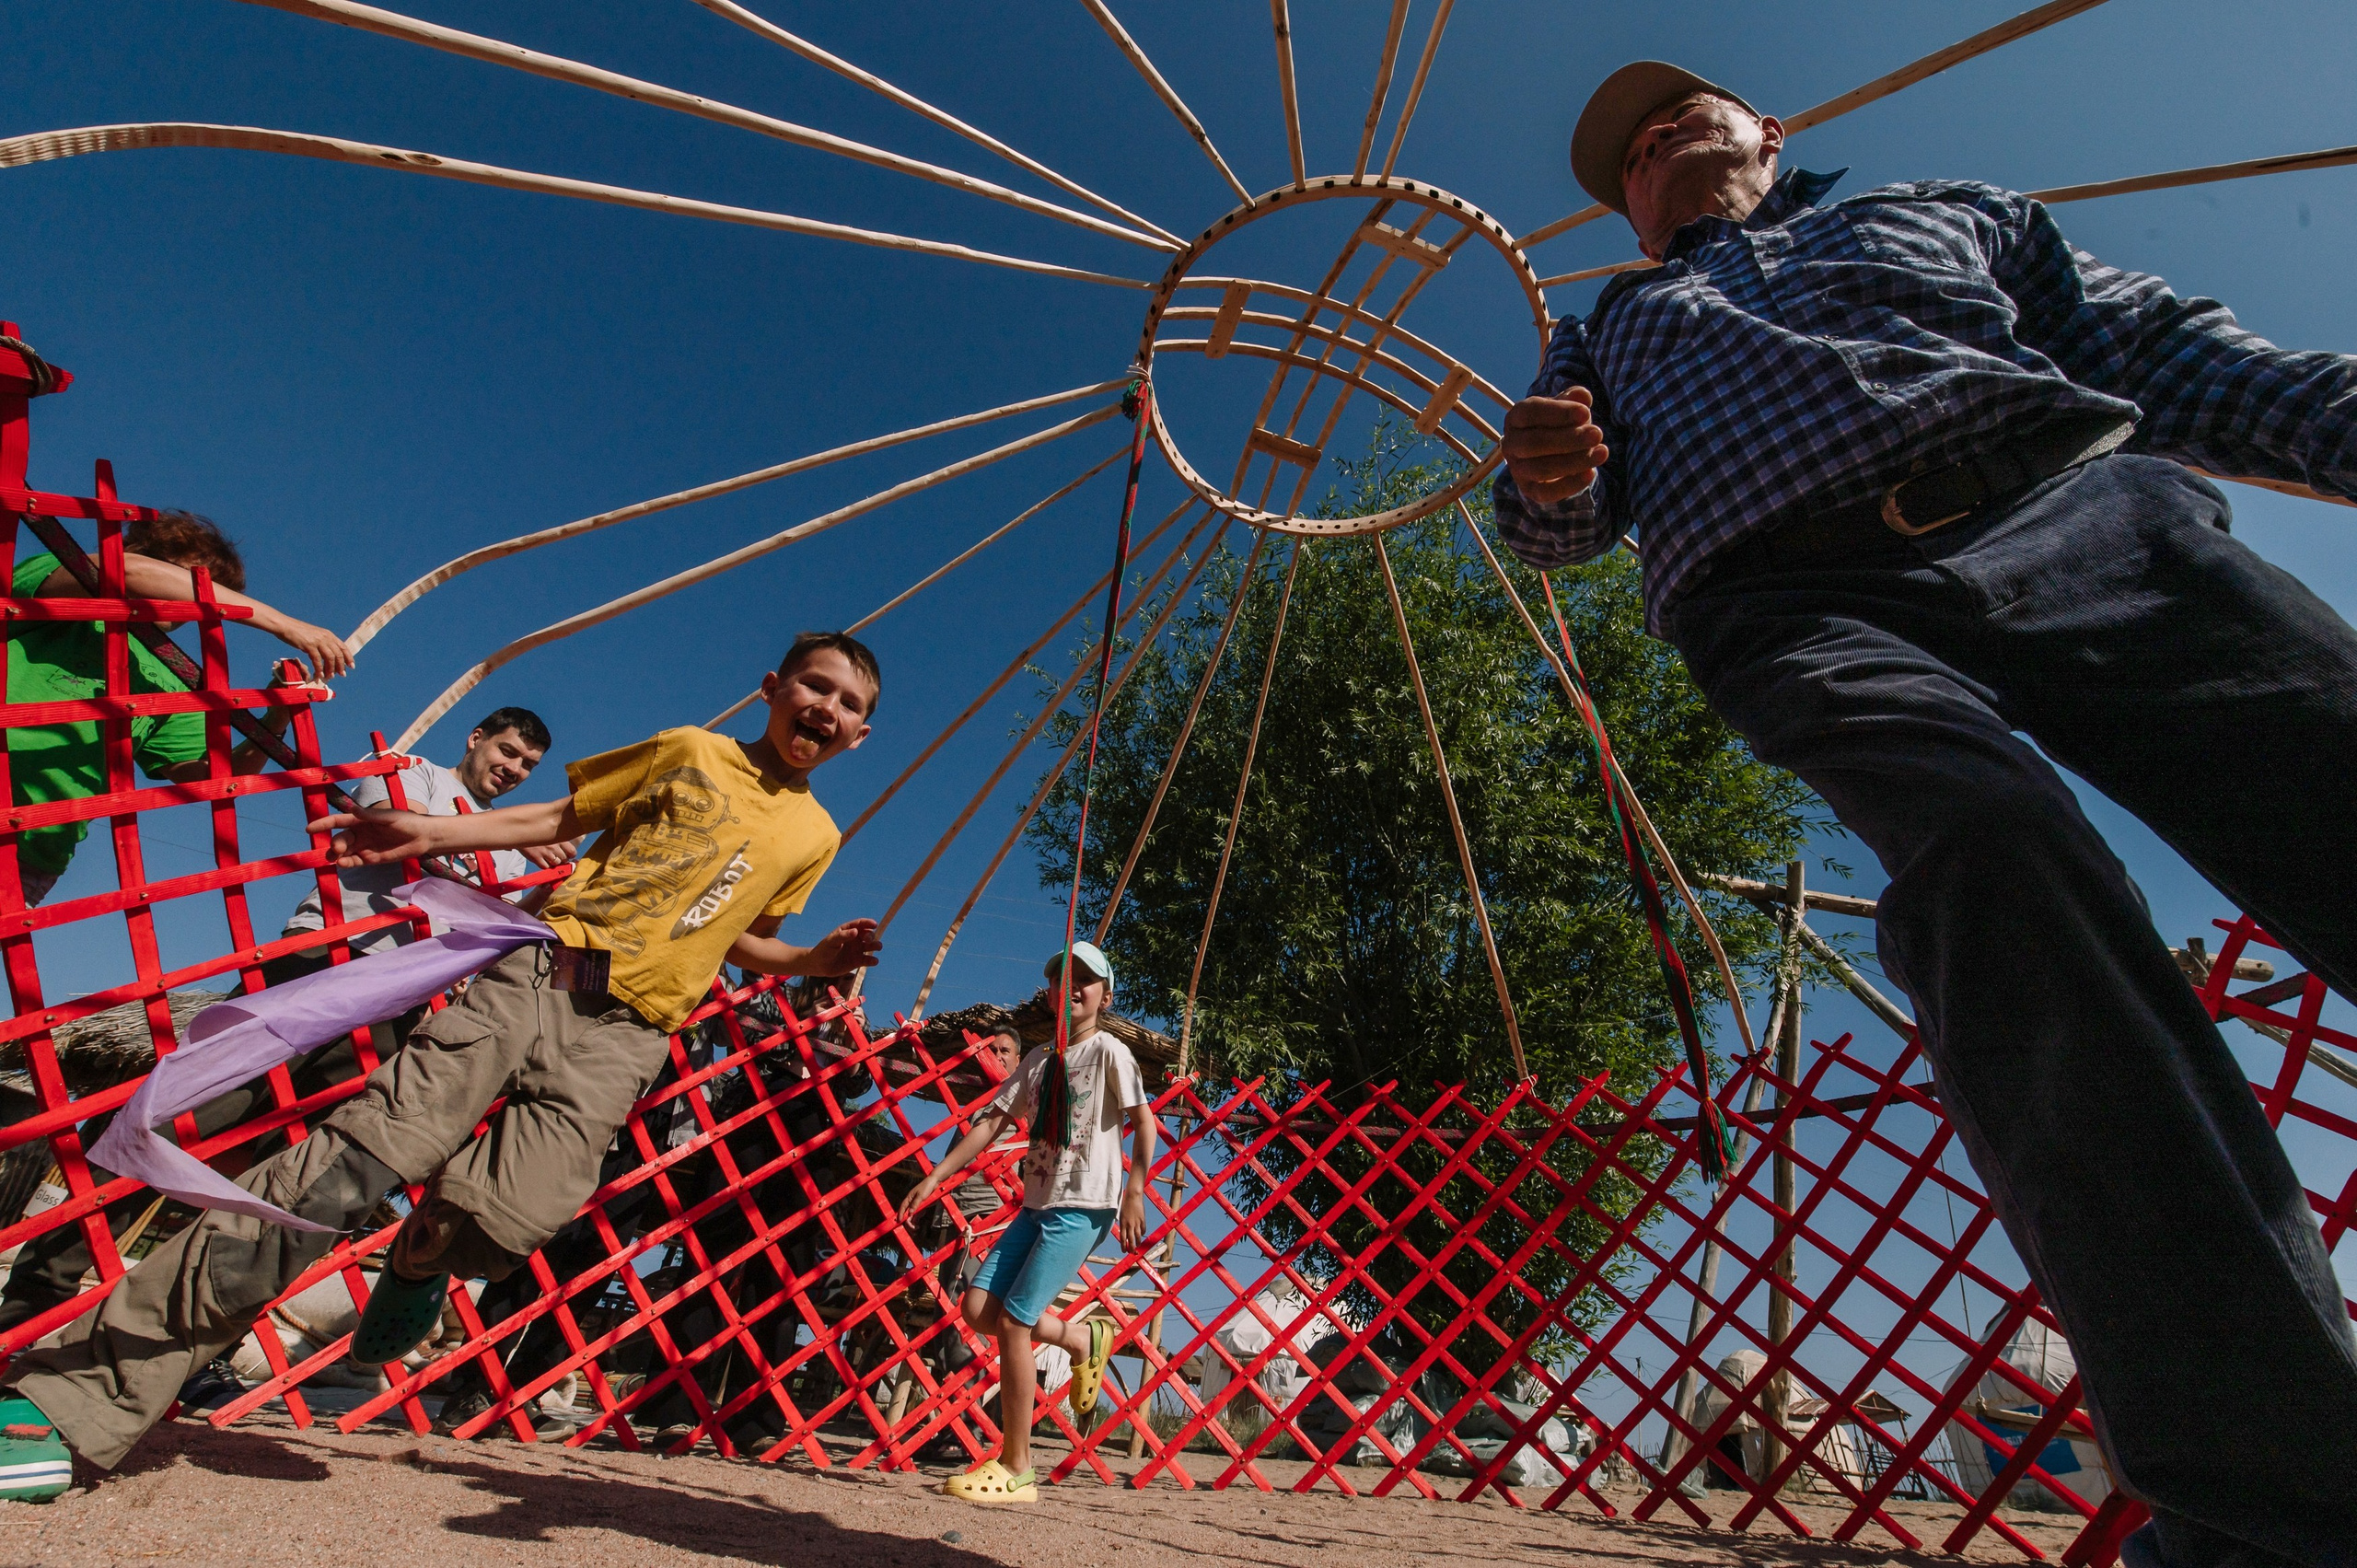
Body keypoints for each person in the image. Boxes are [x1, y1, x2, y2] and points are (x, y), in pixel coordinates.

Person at [1491, 61, 2357, 1568]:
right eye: (1626, 155)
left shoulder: (1940, 211)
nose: (1652, 139)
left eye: (1679, 109)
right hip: (1796, 601)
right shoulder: (1608, 327)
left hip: (2078, 509)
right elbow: (1553, 519)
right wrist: (1544, 474)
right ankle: (2279, 1520)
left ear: (1770, 132)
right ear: (1629, 212)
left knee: (2332, 764)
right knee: (1992, 869)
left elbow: (2171, 354)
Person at [0, 631, 885, 1498]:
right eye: (815, 685)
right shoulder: (689, 750)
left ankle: (418, 1262)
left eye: (848, 704)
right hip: (548, 970)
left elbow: (748, 937)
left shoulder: (816, 835)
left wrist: (813, 960)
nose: (826, 707)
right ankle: (74, 1396)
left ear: (860, 734)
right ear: (772, 687)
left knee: (511, 1223)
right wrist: (425, 830)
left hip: (630, 1037)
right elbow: (556, 819)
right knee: (335, 1178)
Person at [898, 943, 1154, 1504]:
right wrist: (936, 1176)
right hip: (1036, 1205)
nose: (1073, 987)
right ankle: (1083, 1337)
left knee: (1014, 1324)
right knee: (977, 1309)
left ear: (1106, 996)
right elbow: (991, 1122)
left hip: (1084, 1204)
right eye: (1063, 979)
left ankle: (1017, 1468)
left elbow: (1144, 1120)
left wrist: (1134, 1191)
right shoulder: (1038, 1059)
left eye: (1086, 979)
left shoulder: (1109, 1051)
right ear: (1052, 994)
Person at [6, 510, 352, 906]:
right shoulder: (64, 588)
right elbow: (127, 571)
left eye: (210, 590)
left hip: (33, 856)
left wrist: (276, 719)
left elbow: (210, 777)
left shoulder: (171, 677)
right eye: (187, 579)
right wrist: (282, 622)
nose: (189, 596)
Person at [278, 706, 577, 965]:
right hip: (337, 939)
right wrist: (517, 831)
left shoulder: (515, 848)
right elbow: (401, 832)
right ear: (476, 739)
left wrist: (543, 890)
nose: (514, 768)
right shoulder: (416, 772)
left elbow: (497, 923)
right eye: (508, 752)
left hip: (417, 976)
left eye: (528, 765)